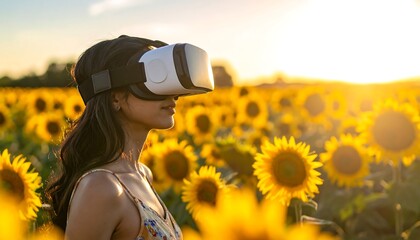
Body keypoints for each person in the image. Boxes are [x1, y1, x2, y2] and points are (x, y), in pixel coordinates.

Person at [46, 35, 187, 239]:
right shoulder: (101, 188)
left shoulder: (143, 174)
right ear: (115, 98)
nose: (171, 94)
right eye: (153, 79)